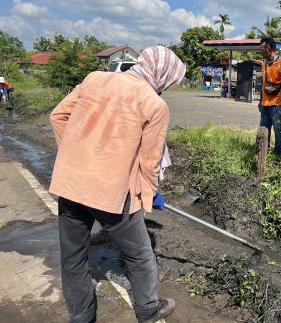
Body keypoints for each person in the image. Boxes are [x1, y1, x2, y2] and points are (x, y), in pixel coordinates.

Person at [49, 46, 186, 323]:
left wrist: (77, 155)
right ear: (163, 76)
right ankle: (148, 310)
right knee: (139, 254)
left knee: (73, 256)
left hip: (70, 183)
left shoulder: (95, 78)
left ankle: (81, 316)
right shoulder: (154, 104)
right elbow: (149, 162)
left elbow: (58, 116)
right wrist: (150, 195)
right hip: (112, 191)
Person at [258, 37, 281, 155]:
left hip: (278, 103)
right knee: (264, 130)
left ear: (270, 48)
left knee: (278, 130)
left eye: (263, 48)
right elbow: (264, 83)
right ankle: (264, 154)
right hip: (265, 103)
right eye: (260, 49)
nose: (262, 51)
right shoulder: (264, 63)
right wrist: (260, 101)